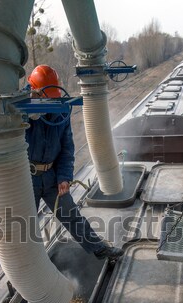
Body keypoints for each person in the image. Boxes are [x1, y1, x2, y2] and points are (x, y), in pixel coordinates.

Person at [25, 64, 124, 261]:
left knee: (71, 214)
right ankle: (28, 271)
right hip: (26, 178)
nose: (49, 101)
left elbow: (67, 148)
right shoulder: (20, 110)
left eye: (52, 97)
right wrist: (24, 115)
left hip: (52, 175)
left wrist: (64, 177)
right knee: (25, 225)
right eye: (44, 97)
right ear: (33, 91)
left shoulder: (61, 111)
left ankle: (99, 249)